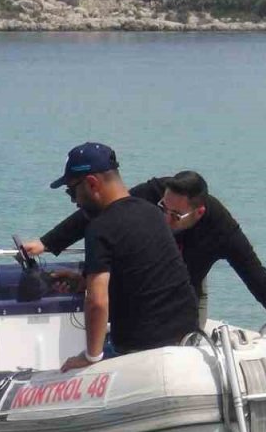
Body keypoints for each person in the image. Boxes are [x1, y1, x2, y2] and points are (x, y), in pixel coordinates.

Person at [25, 169, 266, 334]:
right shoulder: (153, 193)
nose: (164, 219)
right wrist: (48, 242)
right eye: (162, 208)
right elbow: (100, 214)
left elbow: (259, 280)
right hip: (143, 277)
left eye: (174, 215)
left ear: (198, 212)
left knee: (185, 339)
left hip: (188, 284)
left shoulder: (222, 229)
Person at [48, 142, 200, 371]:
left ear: (91, 183)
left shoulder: (100, 228)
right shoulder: (152, 213)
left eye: (72, 191)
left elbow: (97, 302)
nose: (74, 201)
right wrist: (82, 283)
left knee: (69, 368)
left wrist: (90, 357)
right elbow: (143, 275)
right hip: (187, 336)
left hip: (140, 347)